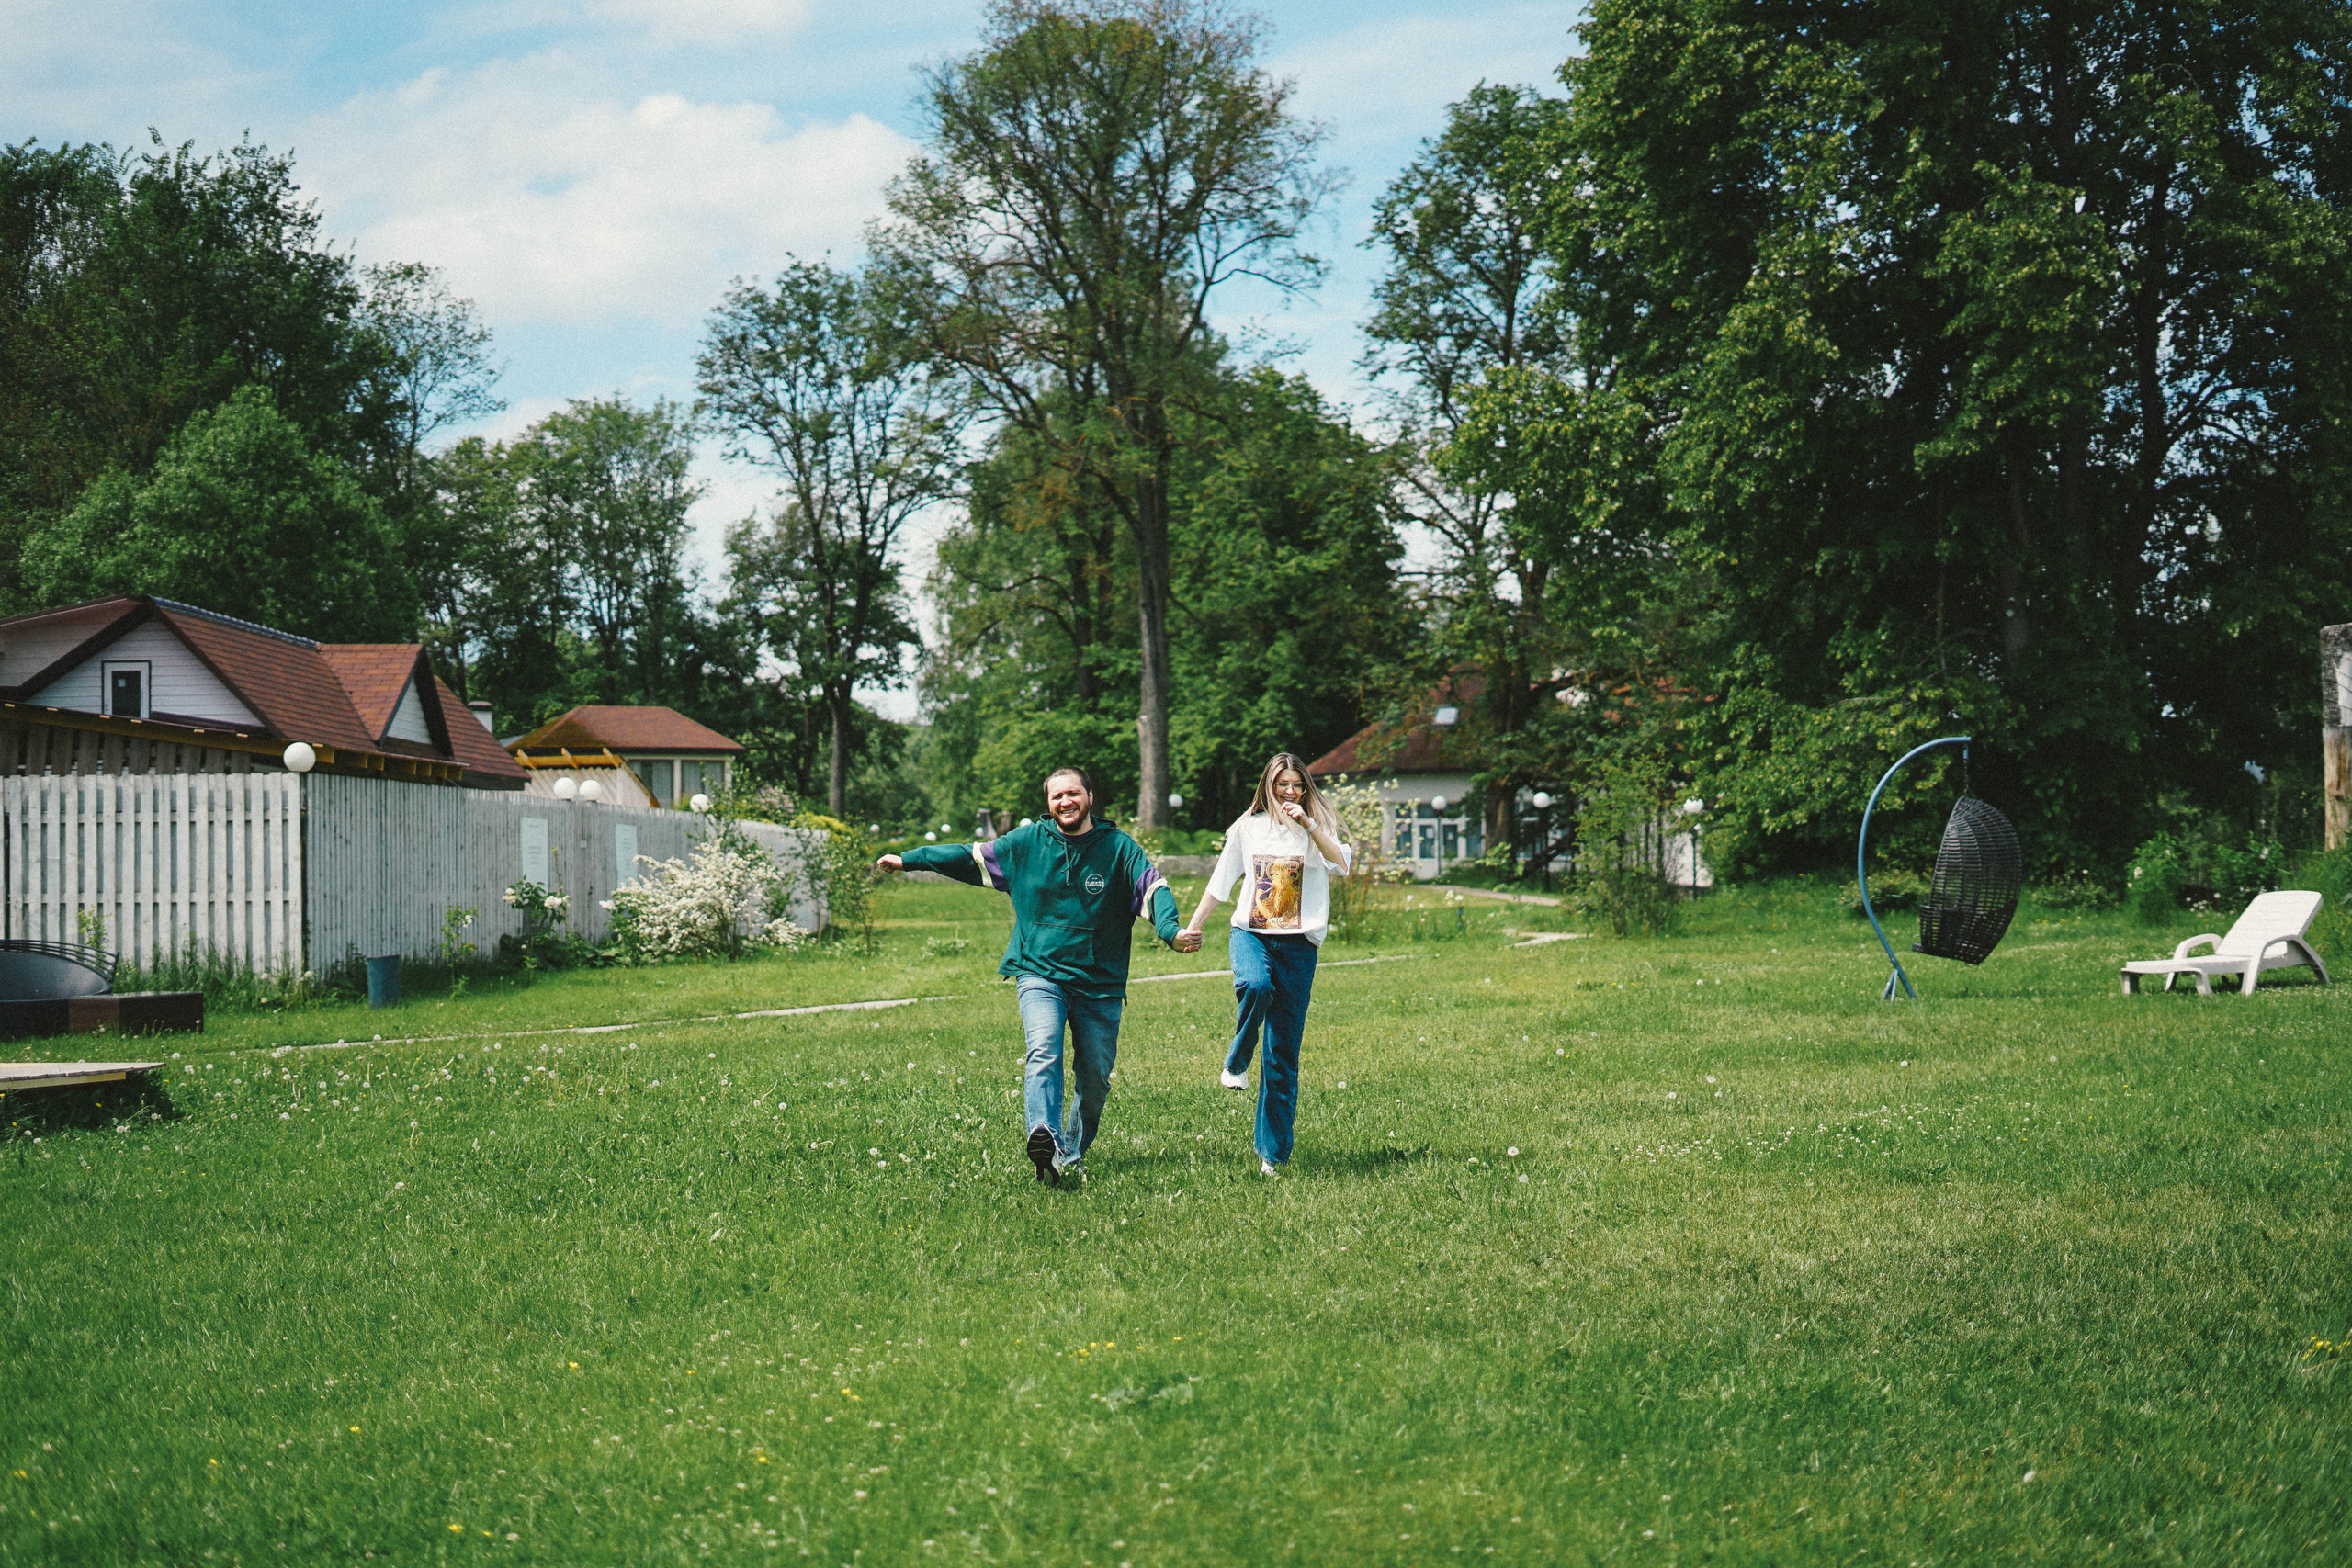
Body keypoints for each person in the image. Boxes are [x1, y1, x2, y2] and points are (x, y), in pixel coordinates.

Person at [879, 767, 1199, 1186]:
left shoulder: (1119, 848)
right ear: (1048, 804)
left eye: (1073, 794)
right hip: (1039, 972)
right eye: (1056, 797)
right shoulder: (1026, 844)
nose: (1065, 802)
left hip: (1099, 982)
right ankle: (1043, 1134)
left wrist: (1170, 932)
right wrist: (910, 860)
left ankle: (1069, 1154)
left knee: (1095, 1080)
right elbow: (968, 855)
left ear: (1089, 796)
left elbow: (1152, 890)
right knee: (1043, 1050)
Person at [1180, 752, 1351, 1176]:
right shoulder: (1248, 827)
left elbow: (1343, 866)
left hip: (1299, 947)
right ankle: (1238, 1056)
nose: (1289, 792)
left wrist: (1309, 825)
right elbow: (1221, 882)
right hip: (1251, 935)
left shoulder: (1319, 828)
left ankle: (1271, 1155)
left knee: (1282, 1056)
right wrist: (1192, 928)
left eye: (1297, 785)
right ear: (1268, 787)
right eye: (1282, 784)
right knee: (1255, 986)